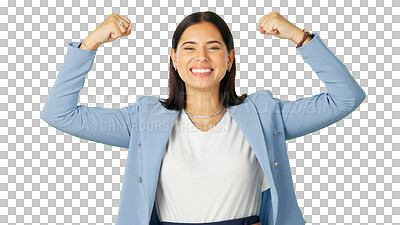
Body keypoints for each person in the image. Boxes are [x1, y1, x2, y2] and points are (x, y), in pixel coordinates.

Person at [41, 11, 366, 225]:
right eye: (189, 48)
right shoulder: (144, 120)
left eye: (213, 47)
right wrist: (91, 43)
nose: (201, 57)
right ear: (174, 58)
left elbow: (345, 98)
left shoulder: (264, 115)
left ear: (229, 58)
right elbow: (60, 114)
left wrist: (299, 36)